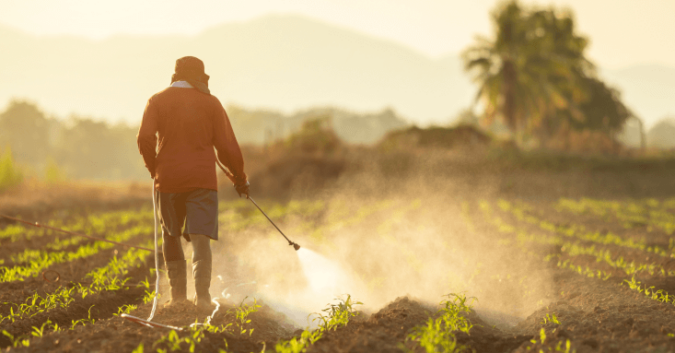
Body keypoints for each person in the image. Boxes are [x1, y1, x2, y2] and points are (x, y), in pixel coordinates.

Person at [137, 56, 249, 310]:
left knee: (171, 235)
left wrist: (154, 168)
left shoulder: (156, 100)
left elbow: (144, 137)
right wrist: (240, 178)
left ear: (175, 75)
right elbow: (227, 147)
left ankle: (177, 298)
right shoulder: (211, 103)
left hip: (168, 180)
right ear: (199, 77)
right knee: (201, 239)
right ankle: (203, 298)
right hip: (202, 180)